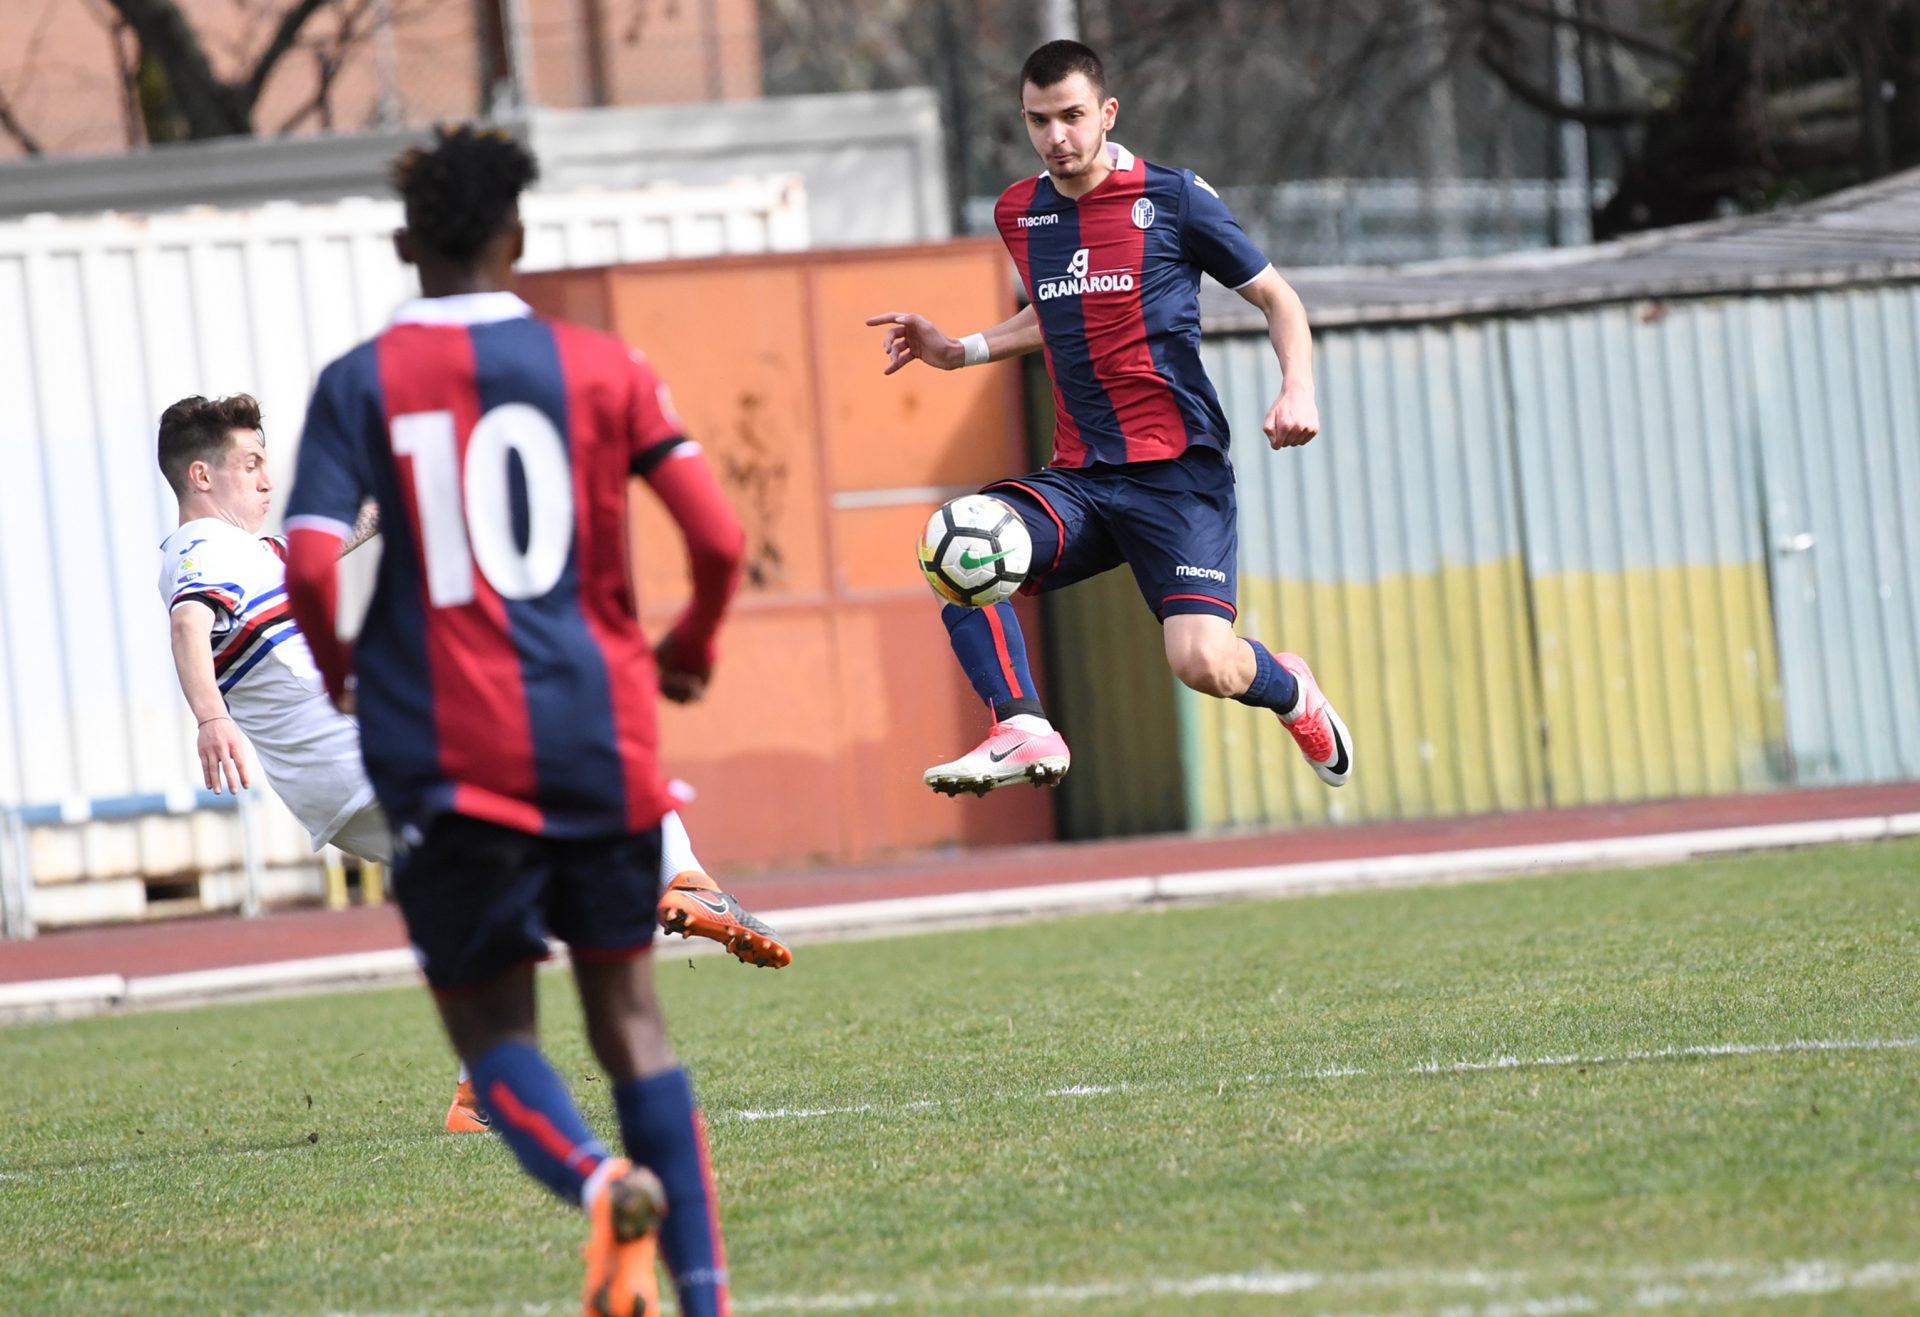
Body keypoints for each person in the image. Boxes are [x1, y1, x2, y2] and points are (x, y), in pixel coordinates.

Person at [284, 125, 740, 1317]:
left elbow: (315, 565)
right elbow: (721, 540)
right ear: (518, 239)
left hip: (445, 752)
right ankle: (705, 1300)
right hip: (596, 738)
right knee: (633, 1023)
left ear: (403, 244)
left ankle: (598, 1188)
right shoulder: (603, 365)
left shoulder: (356, 383)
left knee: (494, 1038)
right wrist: (687, 648)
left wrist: (341, 672)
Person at [156, 397, 786, 1145]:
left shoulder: (254, 555)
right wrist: (211, 716)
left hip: (344, 784)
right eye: (251, 463)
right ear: (201, 474)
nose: (266, 479)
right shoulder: (198, 546)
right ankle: (682, 877)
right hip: (367, 760)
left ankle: (480, 1089)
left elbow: (328, 547)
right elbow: (189, 621)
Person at [868, 40, 1353, 797]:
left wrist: (1300, 389)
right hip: (1082, 480)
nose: (1056, 136)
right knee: (957, 545)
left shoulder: (1175, 198)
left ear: (1107, 113)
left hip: (1177, 476)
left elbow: (1277, 297)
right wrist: (956, 349)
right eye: (1038, 121)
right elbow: (1057, 312)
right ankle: (1021, 725)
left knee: (1202, 664)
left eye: (1071, 116)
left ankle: (1291, 689)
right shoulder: (1020, 213)